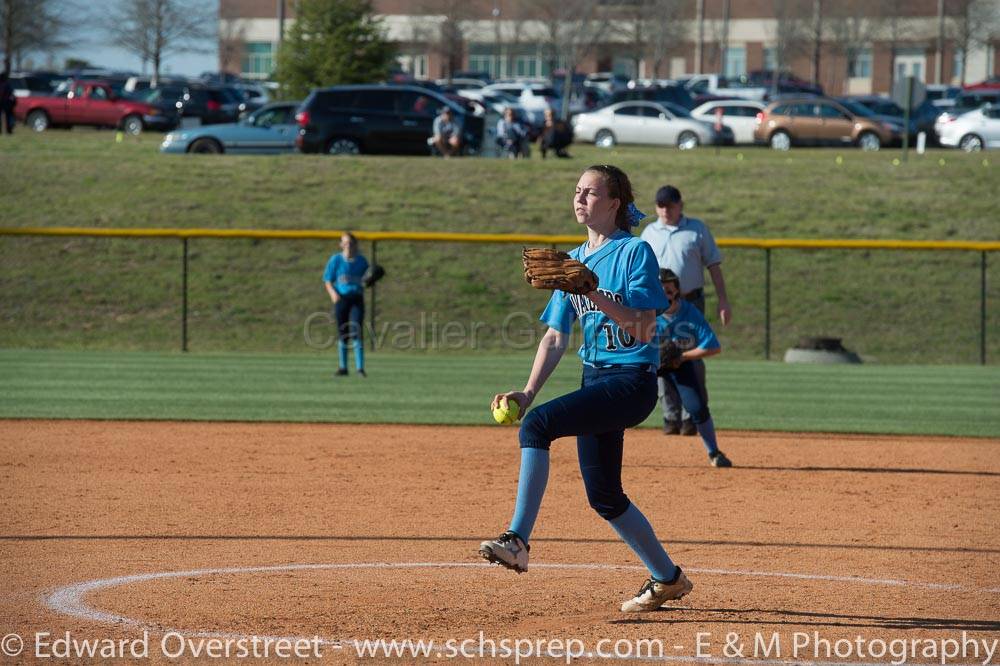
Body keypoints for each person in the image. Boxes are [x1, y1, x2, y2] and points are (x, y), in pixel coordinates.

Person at [480, 164, 694, 613]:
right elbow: (556, 336)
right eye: (577, 191)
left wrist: (592, 291)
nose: (580, 199)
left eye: (591, 193)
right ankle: (667, 578)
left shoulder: (635, 252)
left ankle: (517, 540)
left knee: (538, 428)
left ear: (614, 204)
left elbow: (641, 328)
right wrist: (527, 392)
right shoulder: (571, 261)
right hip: (594, 379)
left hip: (631, 382)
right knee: (604, 496)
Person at [640, 185, 731, 436]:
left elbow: (714, 265)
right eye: (660, 205)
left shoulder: (696, 229)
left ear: (680, 205)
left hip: (690, 302)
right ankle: (671, 417)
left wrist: (723, 299)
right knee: (660, 357)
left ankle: (694, 415)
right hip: (657, 306)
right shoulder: (649, 232)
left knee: (693, 356)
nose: (664, 209)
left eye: (669, 204)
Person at [656, 268, 732, 467]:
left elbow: (713, 346)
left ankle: (714, 453)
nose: (664, 295)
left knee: (697, 408)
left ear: (677, 291)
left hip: (682, 365)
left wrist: (681, 357)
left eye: (669, 290)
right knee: (624, 402)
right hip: (652, 365)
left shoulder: (689, 312)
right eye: (659, 290)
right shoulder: (647, 311)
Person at [323, 232, 369, 377]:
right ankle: (343, 368)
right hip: (341, 299)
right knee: (343, 332)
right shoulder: (336, 260)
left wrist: (371, 280)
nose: (348, 245)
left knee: (356, 331)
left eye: (351, 243)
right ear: (341, 245)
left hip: (356, 298)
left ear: (356, 244)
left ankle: (360, 369)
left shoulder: (362, 261)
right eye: (345, 242)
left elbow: (367, 281)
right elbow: (327, 280)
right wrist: (333, 294)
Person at [0, 71, 15, 135]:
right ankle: (9, 130)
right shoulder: (7, 84)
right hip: (7, 103)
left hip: (1, 102)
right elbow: (11, 94)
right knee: (9, 117)